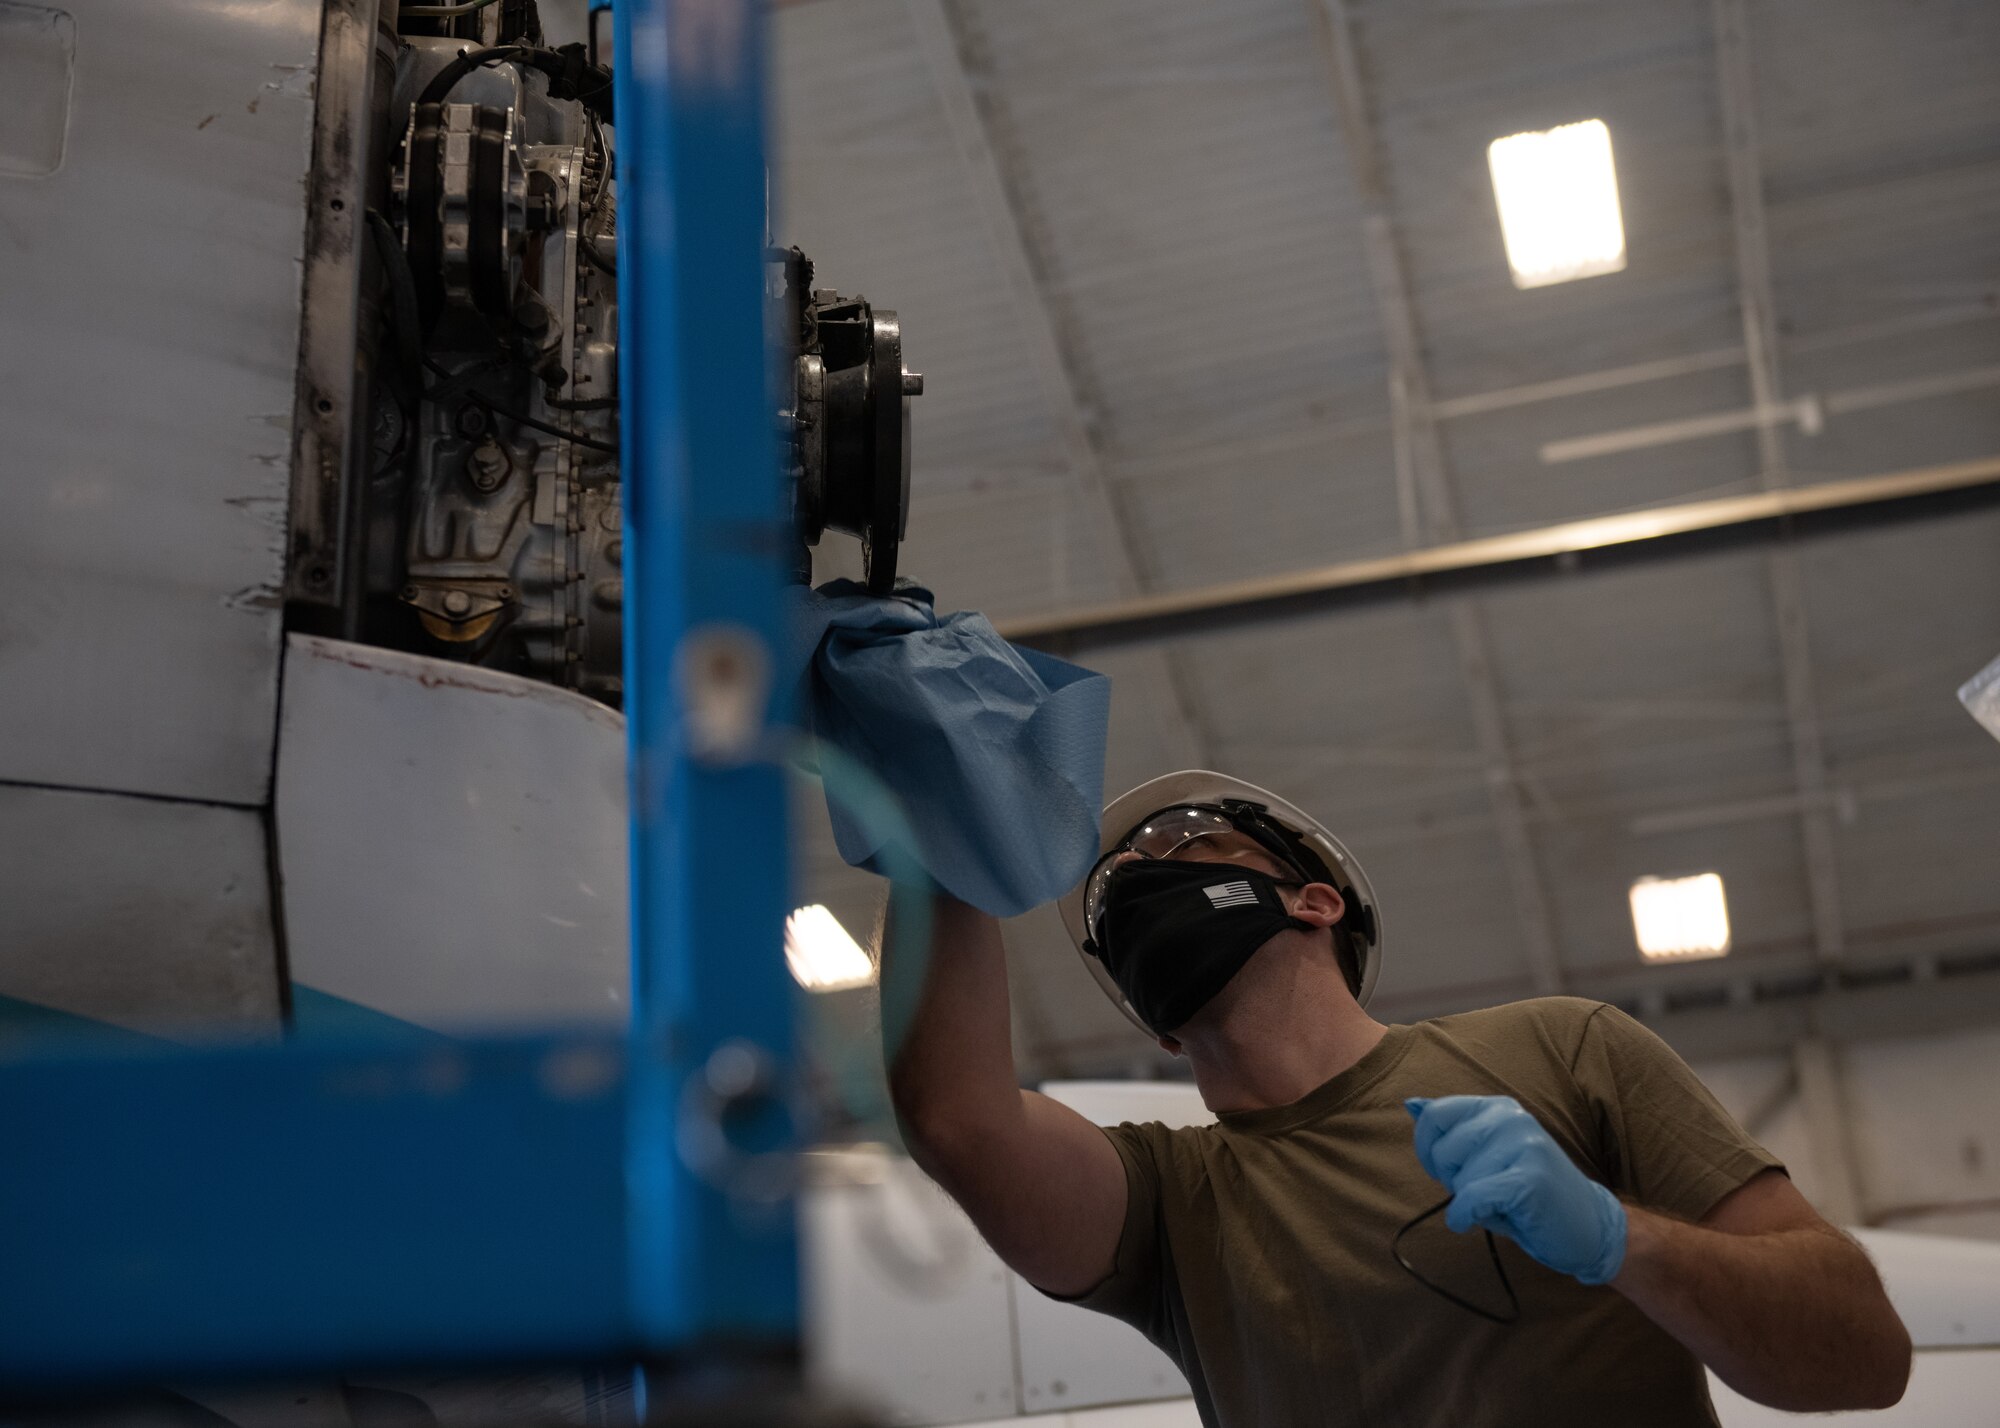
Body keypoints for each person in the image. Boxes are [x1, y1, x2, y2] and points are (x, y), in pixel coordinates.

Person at [884, 770, 1910, 1428]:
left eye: (1185, 842)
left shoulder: (1561, 1050)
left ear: (1312, 899)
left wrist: (1617, 1241)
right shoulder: (1170, 1203)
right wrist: (943, 817)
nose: (1140, 872)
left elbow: (1859, 1356)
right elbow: (959, 1120)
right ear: (1153, 1023)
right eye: (1113, 895)